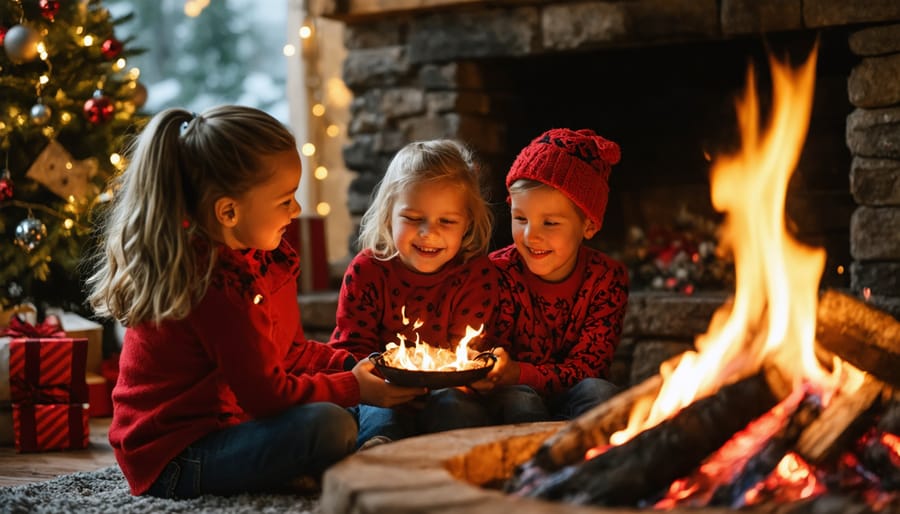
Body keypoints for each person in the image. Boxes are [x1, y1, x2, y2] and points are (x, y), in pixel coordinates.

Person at [85, 106, 424, 499]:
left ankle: (369, 449)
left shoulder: (258, 259)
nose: (296, 211)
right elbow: (268, 396)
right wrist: (353, 388)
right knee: (330, 424)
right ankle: (364, 453)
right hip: (177, 459)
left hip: (235, 425)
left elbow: (290, 353)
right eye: (285, 200)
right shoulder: (216, 285)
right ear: (229, 211)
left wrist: (354, 368)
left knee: (361, 396)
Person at [328, 139, 509, 446]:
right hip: (382, 389)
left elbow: (468, 352)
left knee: (458, 411)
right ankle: (381, 454)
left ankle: (454, 458)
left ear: (466, 225)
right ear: (388, 215)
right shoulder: (368, 270)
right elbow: (352, 346)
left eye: (447, 221)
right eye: (413, 219)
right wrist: (380, 383)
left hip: (449, 393)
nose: (428, 233)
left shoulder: (475, 274)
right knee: (377, 413)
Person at [474, 127, 629, 421]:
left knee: (602, 394)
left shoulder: (606, 280)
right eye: (520, 219)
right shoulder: (496, 273)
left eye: (551, 223)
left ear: (589, 226)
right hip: (512, 395)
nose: (531, 236)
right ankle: (529, 465)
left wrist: (520, 371)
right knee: (520, 400)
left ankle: (586, 462)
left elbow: (589, 369)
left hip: (573, 395)